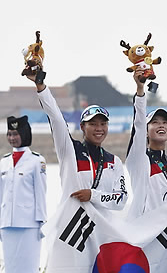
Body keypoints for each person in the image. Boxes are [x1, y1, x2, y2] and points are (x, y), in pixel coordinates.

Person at [25, 75, 127, 214]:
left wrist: (93, 195)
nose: (99, 128)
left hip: (103, 232)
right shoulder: (69, 150)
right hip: (73, 230)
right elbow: (56, 118)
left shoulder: (114, 162)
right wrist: (40, 85)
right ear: (82, 126)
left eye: (103, 124)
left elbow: (121, 200)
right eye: (92, 124)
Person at [0, 116, 47, 273]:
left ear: (25, 134)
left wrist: (42, 222)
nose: (12, 137)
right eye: (10, 134)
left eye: (16, 134)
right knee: (14, 270)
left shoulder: (37, 161)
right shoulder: (3, 162)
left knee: (29, 270)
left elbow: (41, 193)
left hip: (29, 224)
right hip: (7, 224)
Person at [126, 70, 167, 219]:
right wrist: (140, 90)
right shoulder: (139, 159)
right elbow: (139, 123)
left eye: (165, 122)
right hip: (143, 234)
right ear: (146, 133)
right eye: (154, 122)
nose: (161, 126)